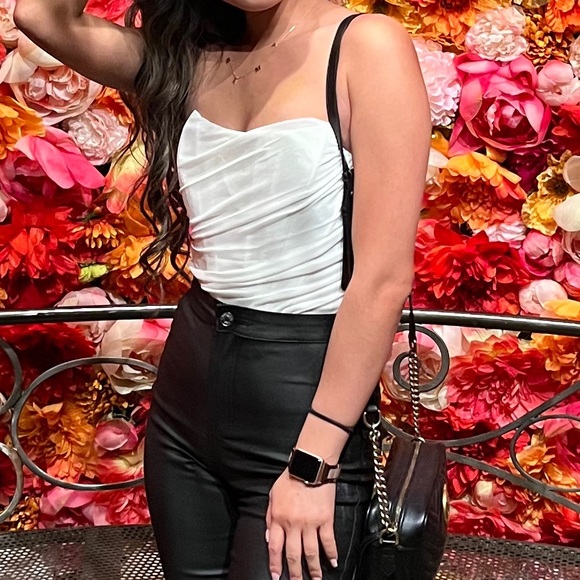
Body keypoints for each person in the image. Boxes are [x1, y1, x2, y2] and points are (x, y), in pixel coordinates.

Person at [14, 0, 431, 578]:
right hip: (187, 397)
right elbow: (42, 18)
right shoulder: (190, 56)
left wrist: (314, 464)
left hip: (304, 404)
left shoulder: (366, 46)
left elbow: (383, 280)